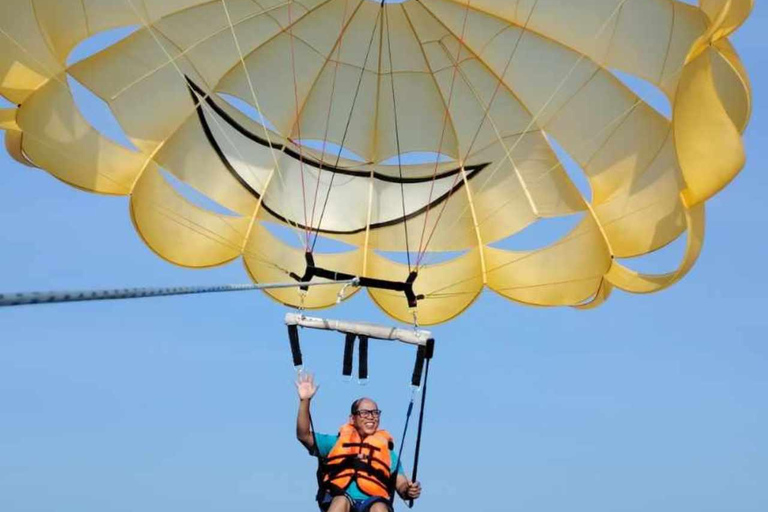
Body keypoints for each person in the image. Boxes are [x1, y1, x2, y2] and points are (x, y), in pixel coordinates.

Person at [295, 372, 422, 512]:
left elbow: (401, 484)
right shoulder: (335, 444)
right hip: (340, 497)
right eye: (365, 413)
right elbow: (304, 435)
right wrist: (304, 401)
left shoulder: (388, 453)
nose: (371, 417)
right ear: (352, 419)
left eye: (375, 413)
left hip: (373, 501)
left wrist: (409, 490)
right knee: (341, 501)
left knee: (379, 508)